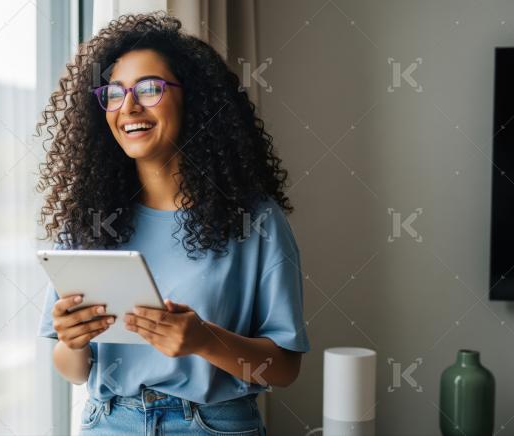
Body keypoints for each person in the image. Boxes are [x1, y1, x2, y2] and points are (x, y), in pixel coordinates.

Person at [36, 12, 310, 435]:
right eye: (114, 92)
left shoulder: (255, 222)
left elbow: (284, 368)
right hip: (109, 422)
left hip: (213, 425)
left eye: (149, 89)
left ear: (193, 99)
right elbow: (72, 371)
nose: (128, 107)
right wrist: (73, 340)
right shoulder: (89, 220)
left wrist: (203, 341)